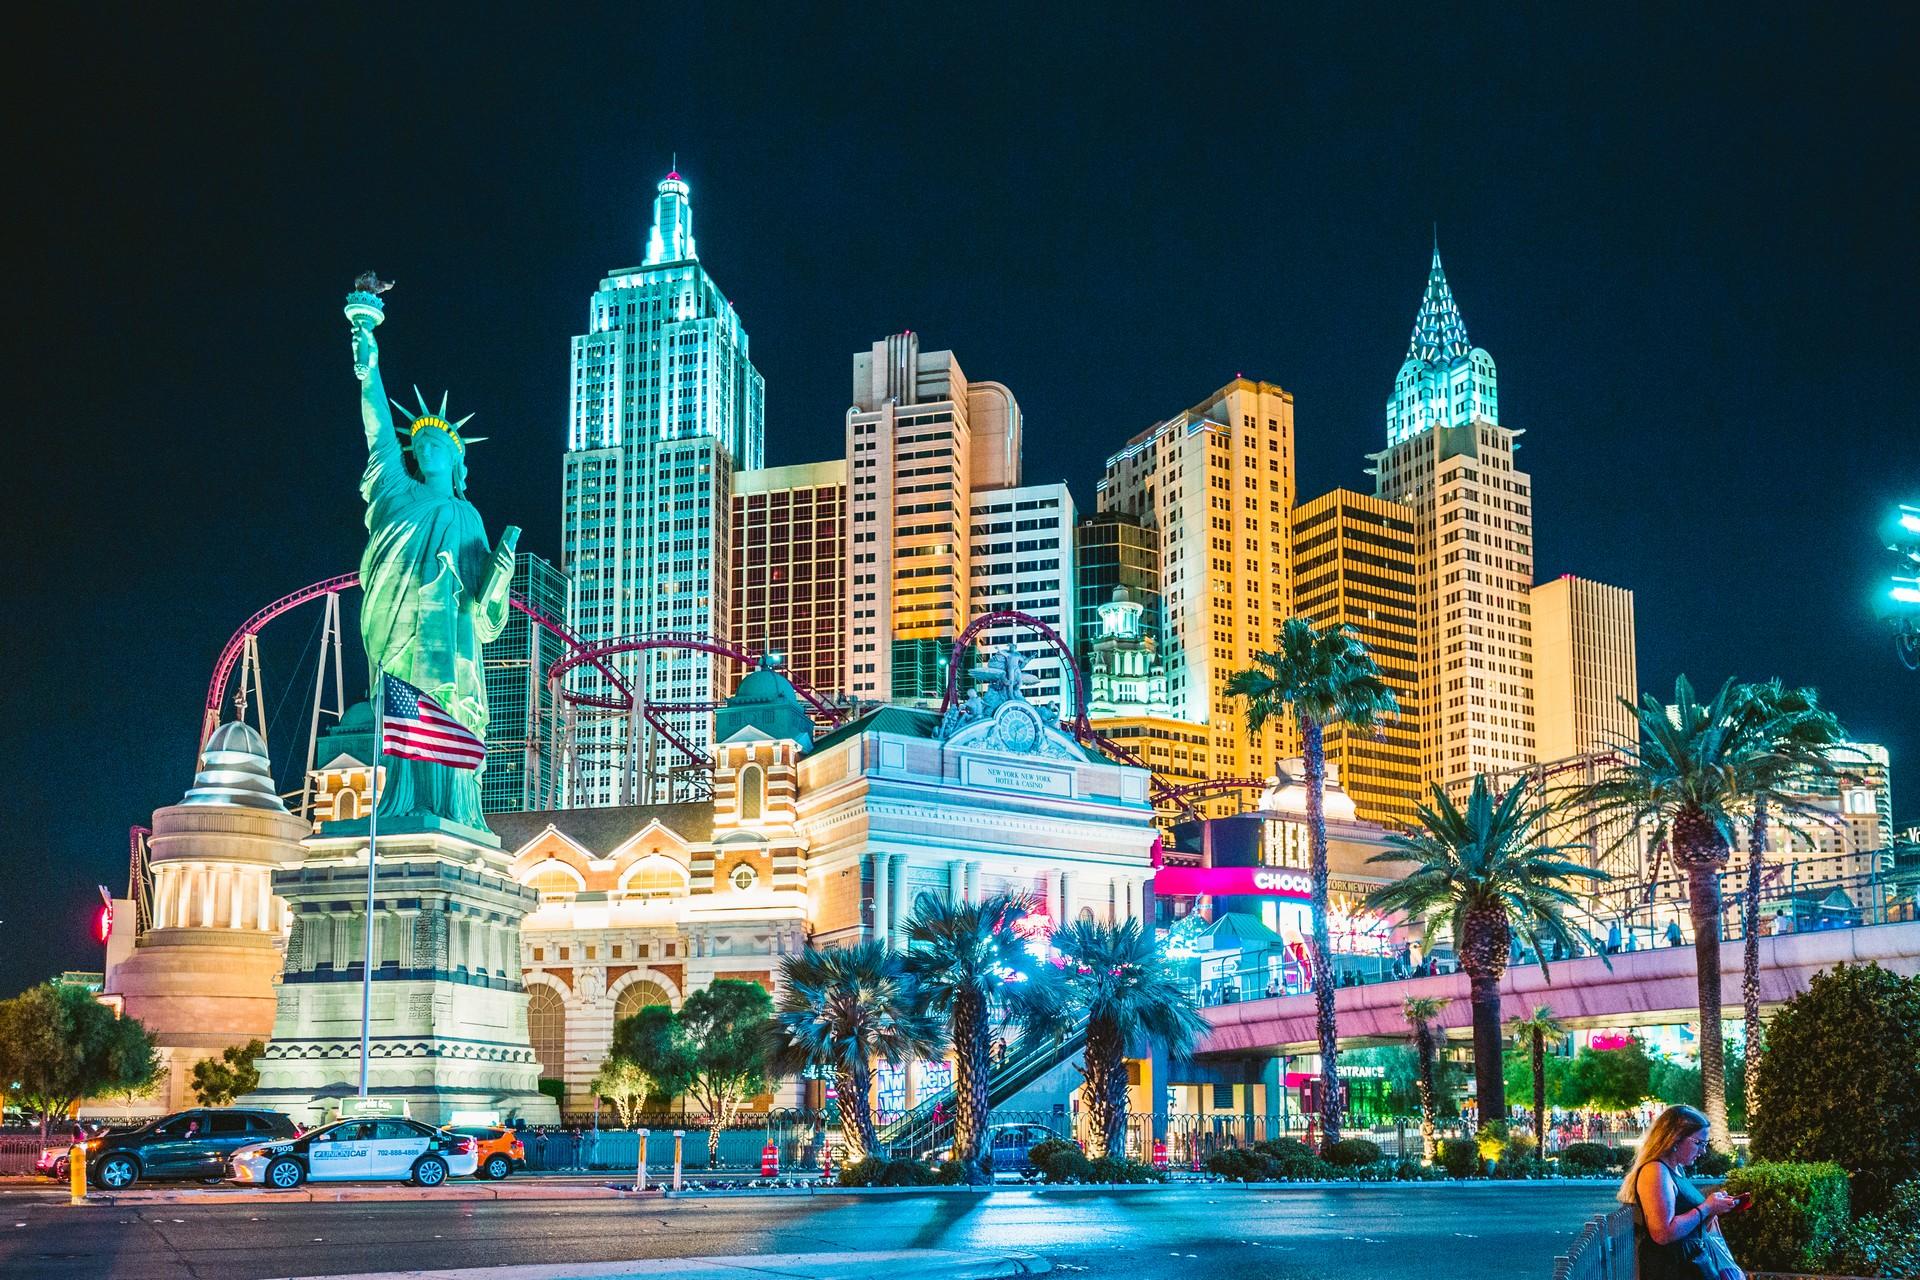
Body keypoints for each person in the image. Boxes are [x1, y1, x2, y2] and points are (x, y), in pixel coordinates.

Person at [1619, 1105, 1744, 1280]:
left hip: (1688, 1264)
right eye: (1698, 1143)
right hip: (1670, 1268)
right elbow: (1662, 1233)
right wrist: (1707, 1207)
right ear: (1674, 1139)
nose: (1703, 1151)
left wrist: (1714, 1209)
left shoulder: (1676, 1170)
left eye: (1705, 1144)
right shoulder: (1655, 1171)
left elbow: (1692, 1227)